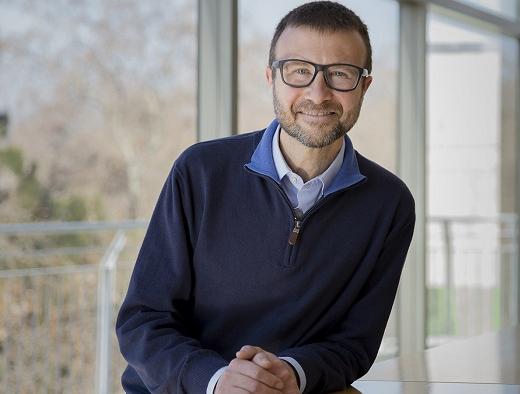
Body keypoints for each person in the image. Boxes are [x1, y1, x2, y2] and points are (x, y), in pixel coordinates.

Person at [116, 2, 415, 393]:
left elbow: (355, 344)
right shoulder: (200, 171)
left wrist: (290, 372)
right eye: (299, 71)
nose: (317, 93)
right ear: (271, 78)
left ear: (364, 86)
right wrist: (218, 380)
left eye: (340, 74)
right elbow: (143, 319)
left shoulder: (389, 203)